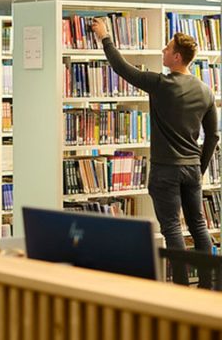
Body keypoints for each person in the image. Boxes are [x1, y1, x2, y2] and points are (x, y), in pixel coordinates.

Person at [92, 18, 218, 280]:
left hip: (165, 169)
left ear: (176, 56)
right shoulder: (206, 91)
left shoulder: (161, 84)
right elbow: (213, 136)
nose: (162, 50)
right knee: (198, 226)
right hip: (192, 168)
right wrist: (198, 167)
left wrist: (105, 37)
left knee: (172, 229)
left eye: (166, 47)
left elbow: (122, 69)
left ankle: (181, 290)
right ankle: (209, 286)